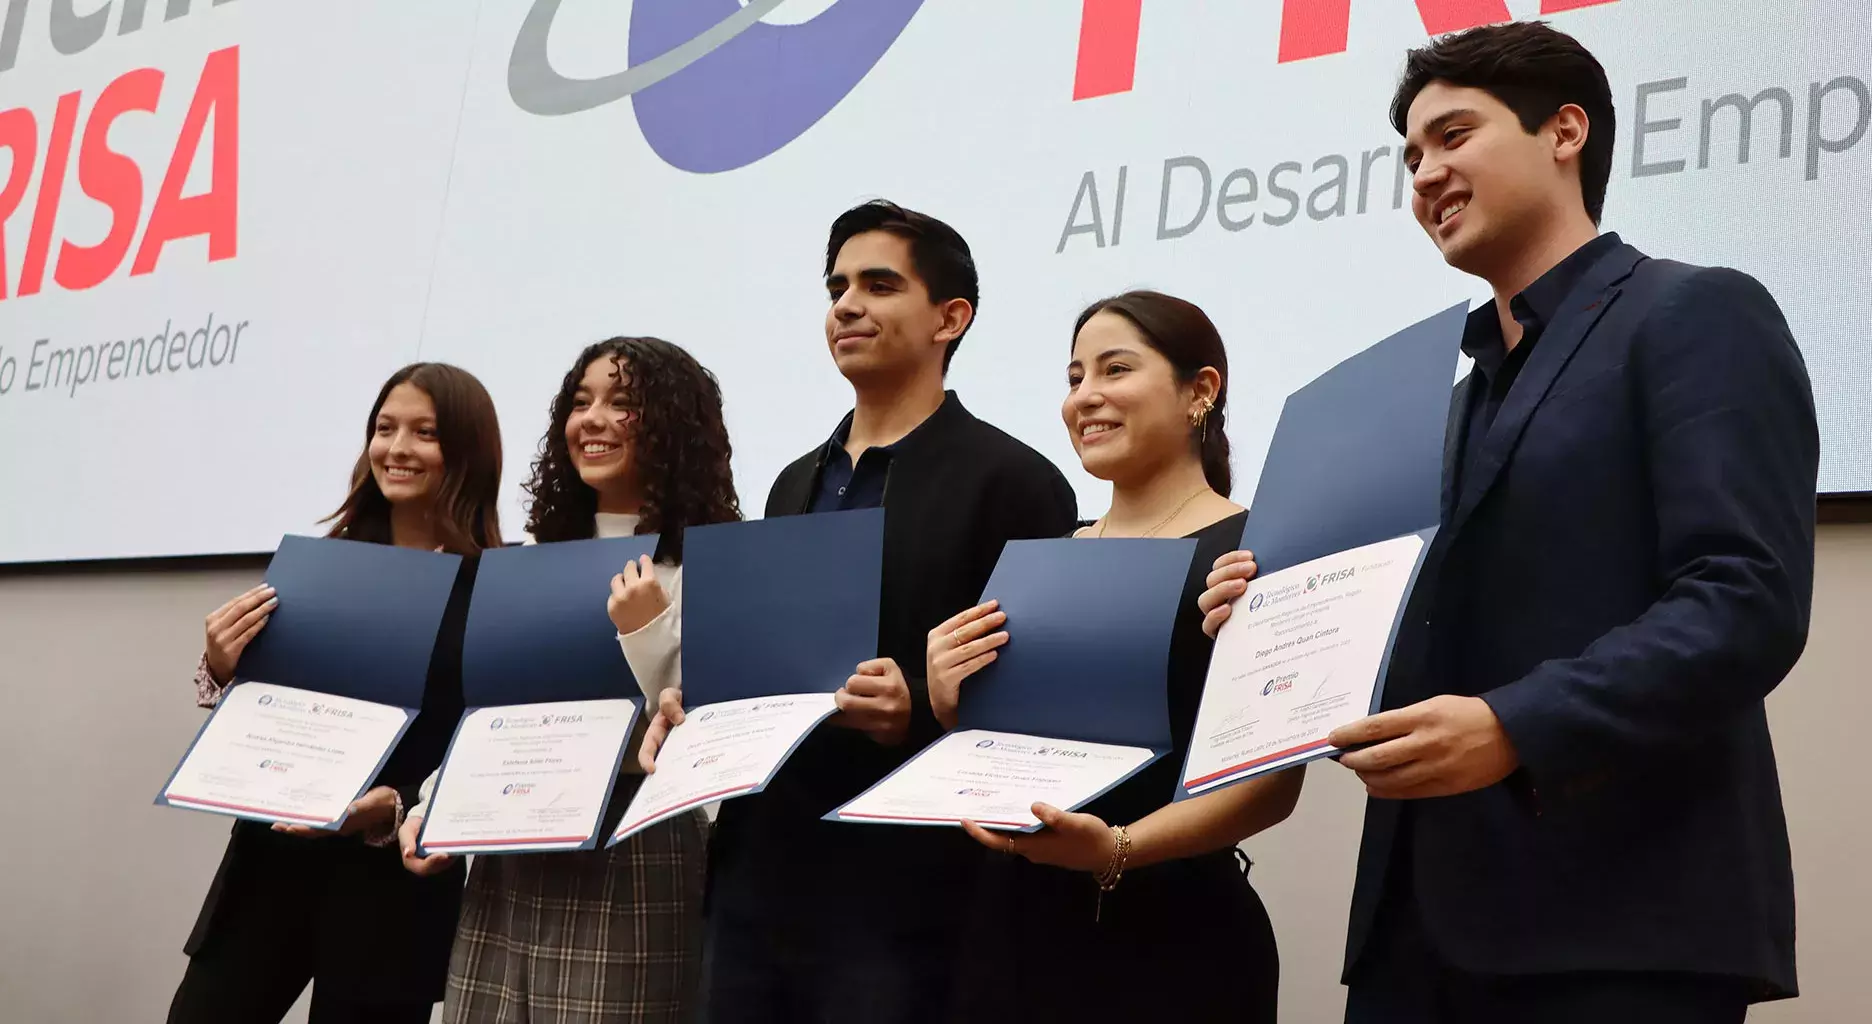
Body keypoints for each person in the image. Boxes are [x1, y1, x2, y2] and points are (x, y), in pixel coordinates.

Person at [1200, 22, 1817, 1024]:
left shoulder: (1693, 313)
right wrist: (1278, 635)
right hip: (1413, 936)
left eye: (1452, 136)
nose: (1424, 174)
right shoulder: (1443, 408)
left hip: (1619, 922)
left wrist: (1513, 727)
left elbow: (1744, 600)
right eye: (1408, 156)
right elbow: (1431, 656)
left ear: (1565, 129)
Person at [639, 200, 1079, 1022]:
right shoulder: (790, 482)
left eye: (879, 284)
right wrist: (697, 705)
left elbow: (1044, 692)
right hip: (759, 870)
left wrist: (916, 699)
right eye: (837, 285)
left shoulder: (1015, 482)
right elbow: (767, 662)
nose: (847, 304)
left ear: (951, 318)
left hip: (905, 888)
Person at [931, 290, 1303, 1022]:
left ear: (1200, 391)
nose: (1086, 397)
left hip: (1174, 945)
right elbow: (1011, 760)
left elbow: (1274, 785)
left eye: (1115, 369)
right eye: (1074, 378)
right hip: (1014, 938)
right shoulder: (1045, 558)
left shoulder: (1255, 551)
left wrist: (1118, 849)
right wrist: (949, 709)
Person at [397, 337, 737, 1023]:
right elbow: (494, 712)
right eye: (581, 403)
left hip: (634, 845)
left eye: (624, 402)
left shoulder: (717, 562)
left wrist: (648, 631)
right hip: (510, 847)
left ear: (674, 423)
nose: (594, 420)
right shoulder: (530, 562)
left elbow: (711, 734)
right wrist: (429, 805)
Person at [167, 362, 504, 1024]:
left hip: (394, 894)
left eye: (425, 432)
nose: (397, 448)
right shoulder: (319, 572)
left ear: (466, 451)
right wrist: (219, 664)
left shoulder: (495, 595)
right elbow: (261, 710)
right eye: (385, 428)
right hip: (271, 866)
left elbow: (483, 750)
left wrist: (395, 808)